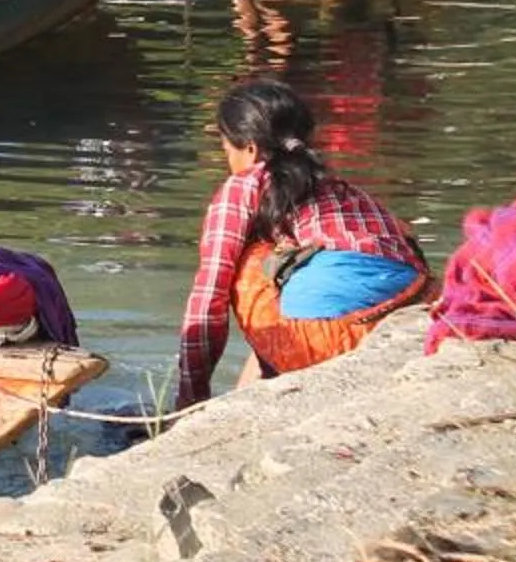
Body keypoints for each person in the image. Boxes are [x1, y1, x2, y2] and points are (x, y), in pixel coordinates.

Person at [176, 78, 430, 407]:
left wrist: (189, 399)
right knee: (284, 275)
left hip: (335, 336)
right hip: (416, 307)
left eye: (226, 150)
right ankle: (252, 396)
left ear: (250, 149)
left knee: (249, 266)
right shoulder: (340, 187)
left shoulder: (244, 185)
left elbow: (209, 295)